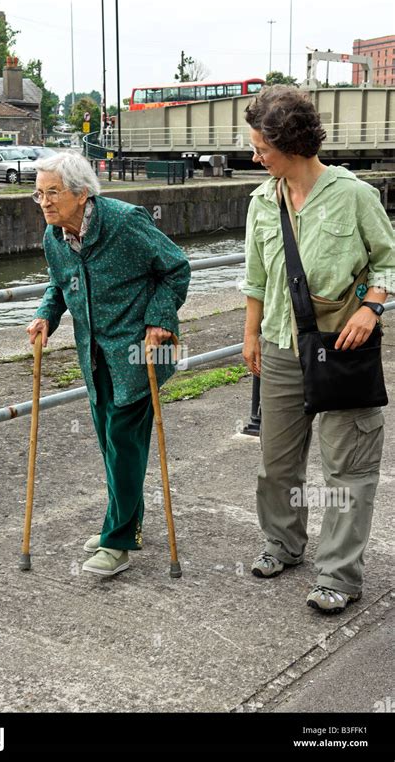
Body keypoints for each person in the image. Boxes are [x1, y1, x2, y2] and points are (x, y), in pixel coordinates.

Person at [240, 85, 395, 613]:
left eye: (261, 147)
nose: (254, 156)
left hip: (341, 347)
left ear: (292, 142)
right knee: (276, 463)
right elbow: (255, 277)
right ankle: (282, 544)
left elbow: (389, 262)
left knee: (346, 466)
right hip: (282, 348)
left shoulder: (354, 195)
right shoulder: (263, 199)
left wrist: (371, 307)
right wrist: (250, 335)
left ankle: (339, 574)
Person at [26, 151, 190, 577]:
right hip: (95, 354)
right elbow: (61, 283)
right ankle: (125, 522)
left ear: (81, 194)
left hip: (141, 353)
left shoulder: (125, 222)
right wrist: (47, 313)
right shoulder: (55, 236)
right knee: (111, 442)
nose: (44, 202)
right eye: (39, 194)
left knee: (122, 441)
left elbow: (175, 269)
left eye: (53, 193)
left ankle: (117, 543)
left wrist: (159, 319)